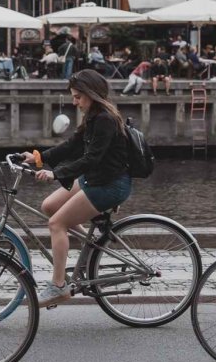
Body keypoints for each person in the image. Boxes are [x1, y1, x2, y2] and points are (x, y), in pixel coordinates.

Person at [20, 69, 132, 306]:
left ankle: (58, 286)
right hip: (95, 178)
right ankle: (93, 246)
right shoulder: (93, 116)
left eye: (78, 97)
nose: (74, 102)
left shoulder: (105, 120)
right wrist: (38, 157)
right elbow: (72, 146)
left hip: (110, 185)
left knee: (56, 224)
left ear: (92, 95)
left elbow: (91, 159)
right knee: (49, 206)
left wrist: (56, 174)